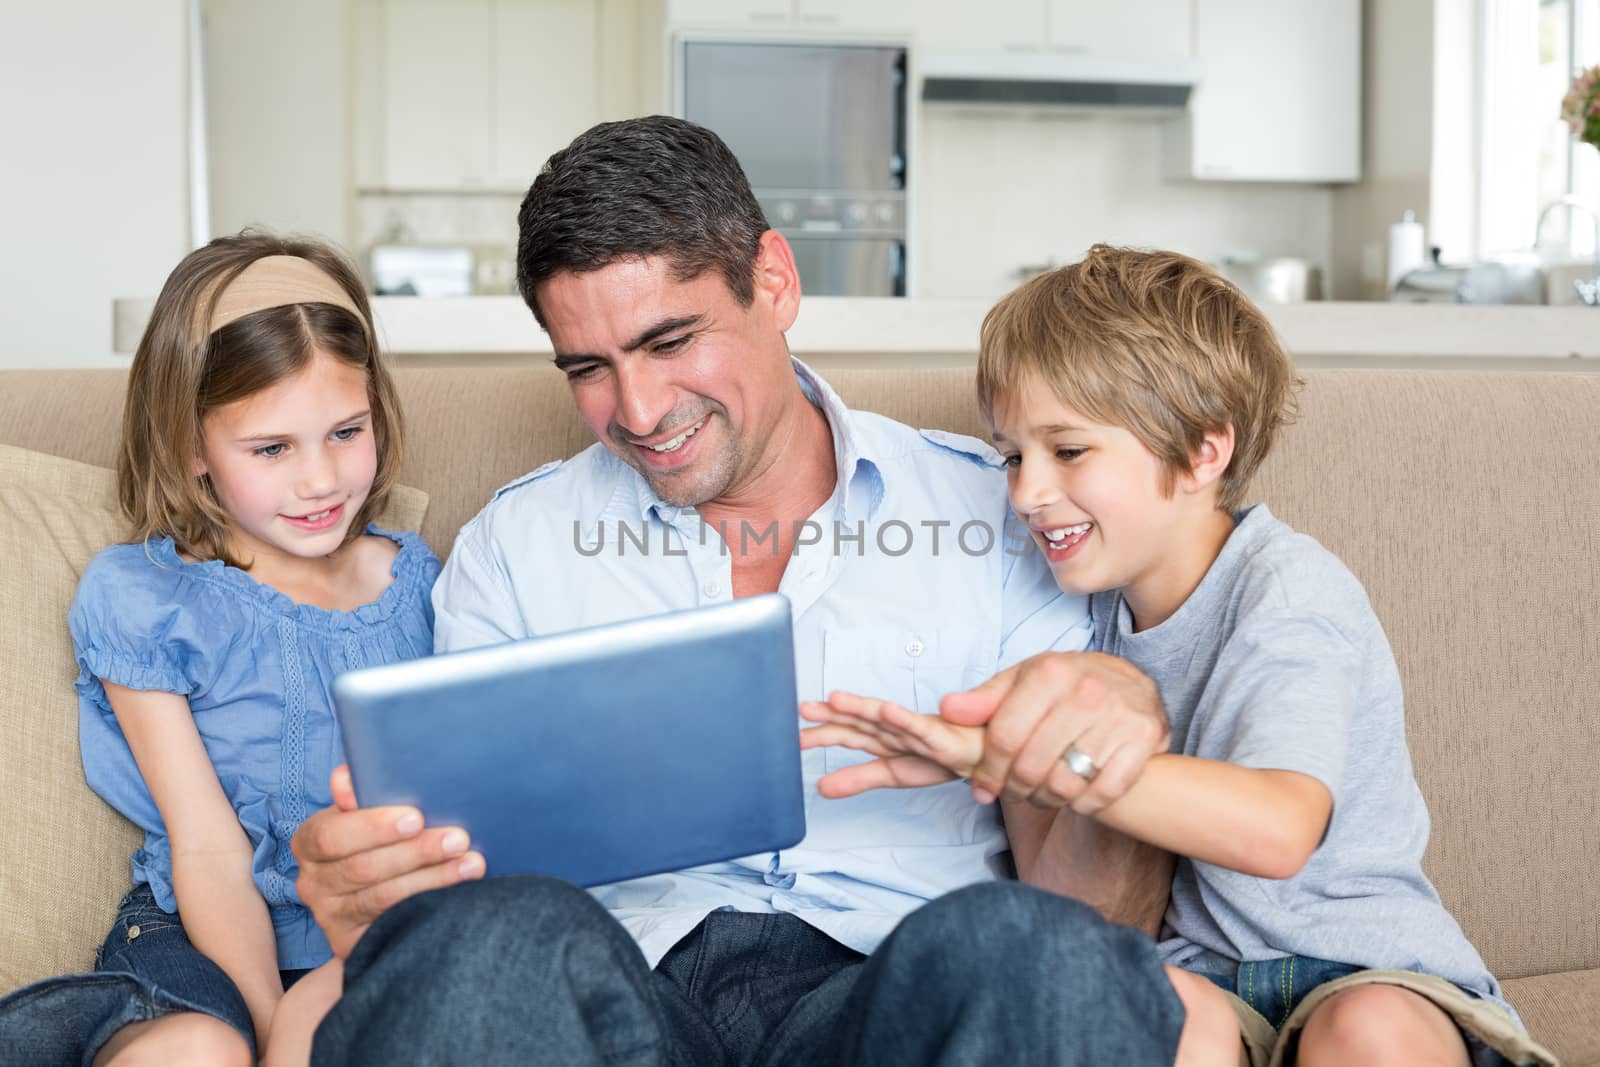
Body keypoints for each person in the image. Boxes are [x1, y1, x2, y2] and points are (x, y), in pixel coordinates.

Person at [291, 116, 1188, 1065]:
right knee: (491, 940)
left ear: (773, 279)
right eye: (589, 369)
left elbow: (1095, 915)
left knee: (1043, 950)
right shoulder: (516, 545)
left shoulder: (999, 509)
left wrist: (1114, 745)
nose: (637, 413)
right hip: (616, 997)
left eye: (671, 339)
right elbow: (460, 894)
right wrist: (379, 901)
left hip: (892, 993)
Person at [799, 246, 1555, 1067]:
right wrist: (1003, 760)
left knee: (1364, 1029)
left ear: (1203, 452)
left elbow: (1277, 828)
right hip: (1204, 982)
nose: (1024, 491)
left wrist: (1055, 757)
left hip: (1370, 969)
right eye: (1014, 454)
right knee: (1156, 1014)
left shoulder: (1287, 592)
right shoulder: (1062, 611)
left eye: (1069, 451)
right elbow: (1063, 898)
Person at [0, 234, 442, 1067]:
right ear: (193, 446)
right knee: (202, 1047)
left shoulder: (416, 582)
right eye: (272, 448)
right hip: (198, 930)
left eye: (346, 431)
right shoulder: (145, 598)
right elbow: (206, 844)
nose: (320, 479)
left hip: (368, 926)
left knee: (340, 1013)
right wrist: (274, 1026)